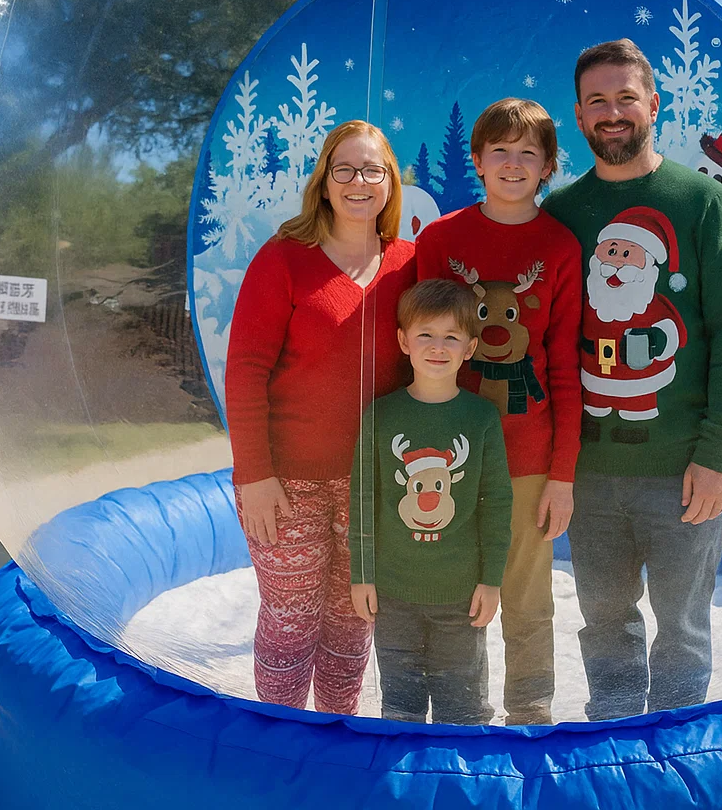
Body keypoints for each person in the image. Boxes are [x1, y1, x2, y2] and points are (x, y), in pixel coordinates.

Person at [541, 39, 722, 719]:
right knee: (603, 622)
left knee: (684, 630)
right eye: (598, 101)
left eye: (626, 98)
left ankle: (675, 756)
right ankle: (612, 747)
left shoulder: (701, 203)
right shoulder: (560, 216)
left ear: (653, 105)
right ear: (578, 116)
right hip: (591, 474)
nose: (613, 113)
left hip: (683, 476)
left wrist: (718, 453)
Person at [225, 120, 416, 714]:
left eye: (373, 170)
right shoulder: (284, 259)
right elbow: (245, 371)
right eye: (345, 169)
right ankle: (280, 754)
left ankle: (335, 752)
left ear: (390, 184)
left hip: (374, 486)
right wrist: (254, 476)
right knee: (289, 623)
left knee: (351, 623)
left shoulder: (412, 264)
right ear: (325, 183)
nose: (359, 181)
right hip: (287, 482)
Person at [414, 97, 582, 725]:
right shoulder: (440, 241)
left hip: (529, 456)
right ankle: (461, 710)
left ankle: (531, 709)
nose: (513, 164)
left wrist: (562, 474)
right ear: (478, 160)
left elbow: (564, 366)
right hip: (450, 455)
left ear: (546, 168)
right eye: (500, 151)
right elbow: (420, 351)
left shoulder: (560, 247)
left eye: (528, 154)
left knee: (527, 591)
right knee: (457, 589)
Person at [349, 278, 513, 724]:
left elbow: (496, 502)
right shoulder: (381, 415)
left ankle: (461, 790)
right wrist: (361, 576)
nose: (437, 347)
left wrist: (491, 580)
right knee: (399, 707)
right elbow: (363, 497)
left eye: (451, 337)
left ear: (470, 347)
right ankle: (403, 792)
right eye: (425, 334)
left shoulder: (480, 418)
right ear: (403, 341)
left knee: (462, 709)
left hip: (460, 597)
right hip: (392, 593)